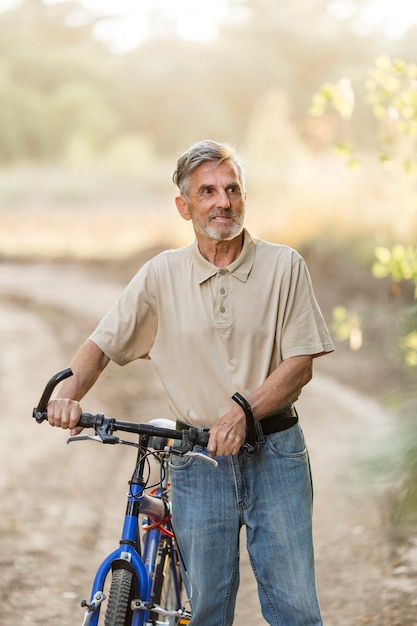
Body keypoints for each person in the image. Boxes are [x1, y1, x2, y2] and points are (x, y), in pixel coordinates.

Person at [48, 139, 334, 626]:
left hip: (276, 452)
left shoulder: (285, 266)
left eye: (232, 189)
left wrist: (242, 413)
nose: (223, 202)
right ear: (184, 207)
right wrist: (66, 393)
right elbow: (102, 345)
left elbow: (300, 364)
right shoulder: (161, 275)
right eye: (207, 192)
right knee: (204, 613)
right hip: (197, 462)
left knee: (296, 610)